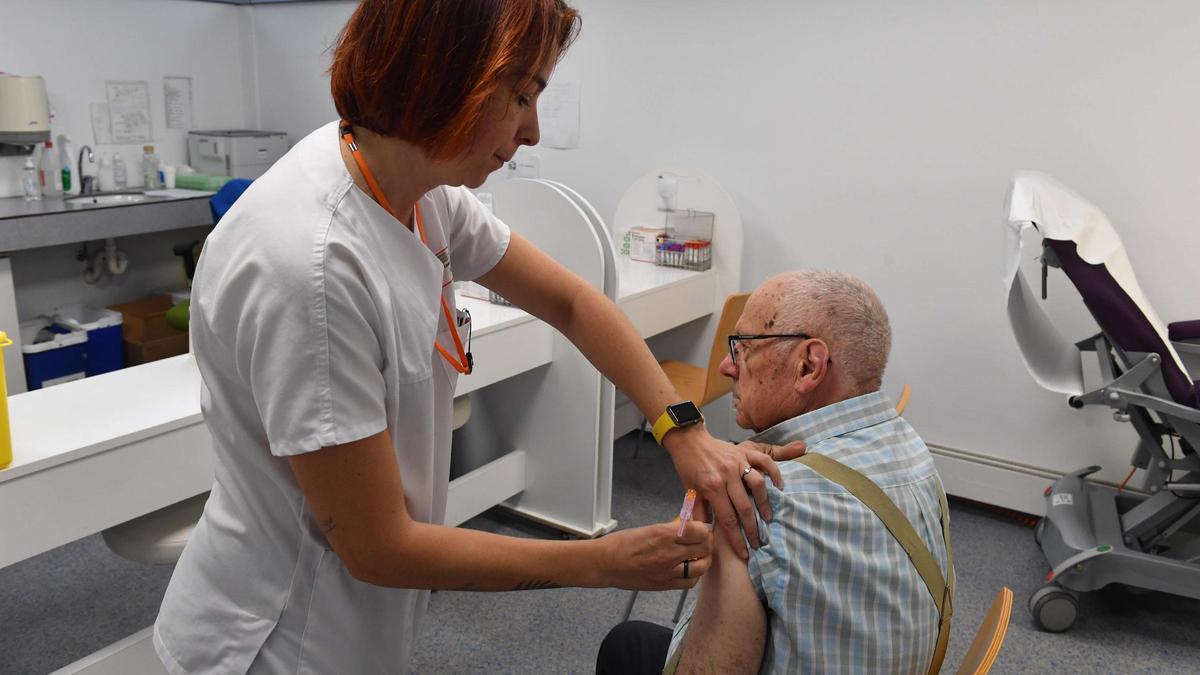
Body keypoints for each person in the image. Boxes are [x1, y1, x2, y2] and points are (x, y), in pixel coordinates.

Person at [153, 2, 799, 673]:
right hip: (277, 637)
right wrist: (602, 560)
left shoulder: (419, 187)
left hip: (358, 614)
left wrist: (681, 428)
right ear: (441, 75)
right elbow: (380, 547)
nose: (532, 129)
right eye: (521, 95)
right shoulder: (310, 265)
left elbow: (572, 300)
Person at [597, 270, 954, 675]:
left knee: (625, 644)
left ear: (808, 366)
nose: (726, 366)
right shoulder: (910, 447)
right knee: (632, 642)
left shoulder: (761, 501)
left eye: (742, 347)